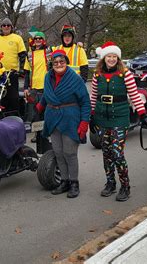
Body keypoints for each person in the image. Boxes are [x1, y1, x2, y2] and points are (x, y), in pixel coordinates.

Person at [90, 41, 147, 202]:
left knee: (117, 154)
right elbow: (93, 96)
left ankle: (125, 186)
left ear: (117, 58)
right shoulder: (97, 75)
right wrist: (90, 115)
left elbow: (134, 95)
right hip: (102, 119)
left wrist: (143, 115)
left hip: (120, 118)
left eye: (114, 56)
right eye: (108, 56)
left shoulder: (125, 74)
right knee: (106, 153)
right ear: (103, 58)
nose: (111, 59)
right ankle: (110, 183)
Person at [35, 49, 91, 198]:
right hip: (53, 118)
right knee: (59, 153)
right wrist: (39, 105)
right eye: (56, 62)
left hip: (70, 119)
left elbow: (85, 102)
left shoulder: (75, 79)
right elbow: (47, 94)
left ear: (66, 62)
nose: (59, 64)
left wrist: (84, 123)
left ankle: (74, 183)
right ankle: (64, 181)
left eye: (62, 61)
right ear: (52, 64)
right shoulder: (48, 77)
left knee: (70, 153)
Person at [0, 18, 27, 116]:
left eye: (8, 25)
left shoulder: (17, 38)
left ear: (11, 27)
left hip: (12, 73)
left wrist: (22, 69)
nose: (6, 27)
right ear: (1, 27)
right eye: (4, 25)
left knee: (13, 97)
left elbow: (22, 55)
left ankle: (14, 118)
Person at [24, 31, 49, 142]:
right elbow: (26, 72)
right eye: (36, 39)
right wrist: (26, 88)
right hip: (34, 87)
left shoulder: (48, 52)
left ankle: (46, 133)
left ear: (43, 40)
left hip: (46, 87)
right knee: (35, 113)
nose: (37, 40)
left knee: (46, 111)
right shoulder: (29, 55)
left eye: (40, 38)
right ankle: (36, 135)